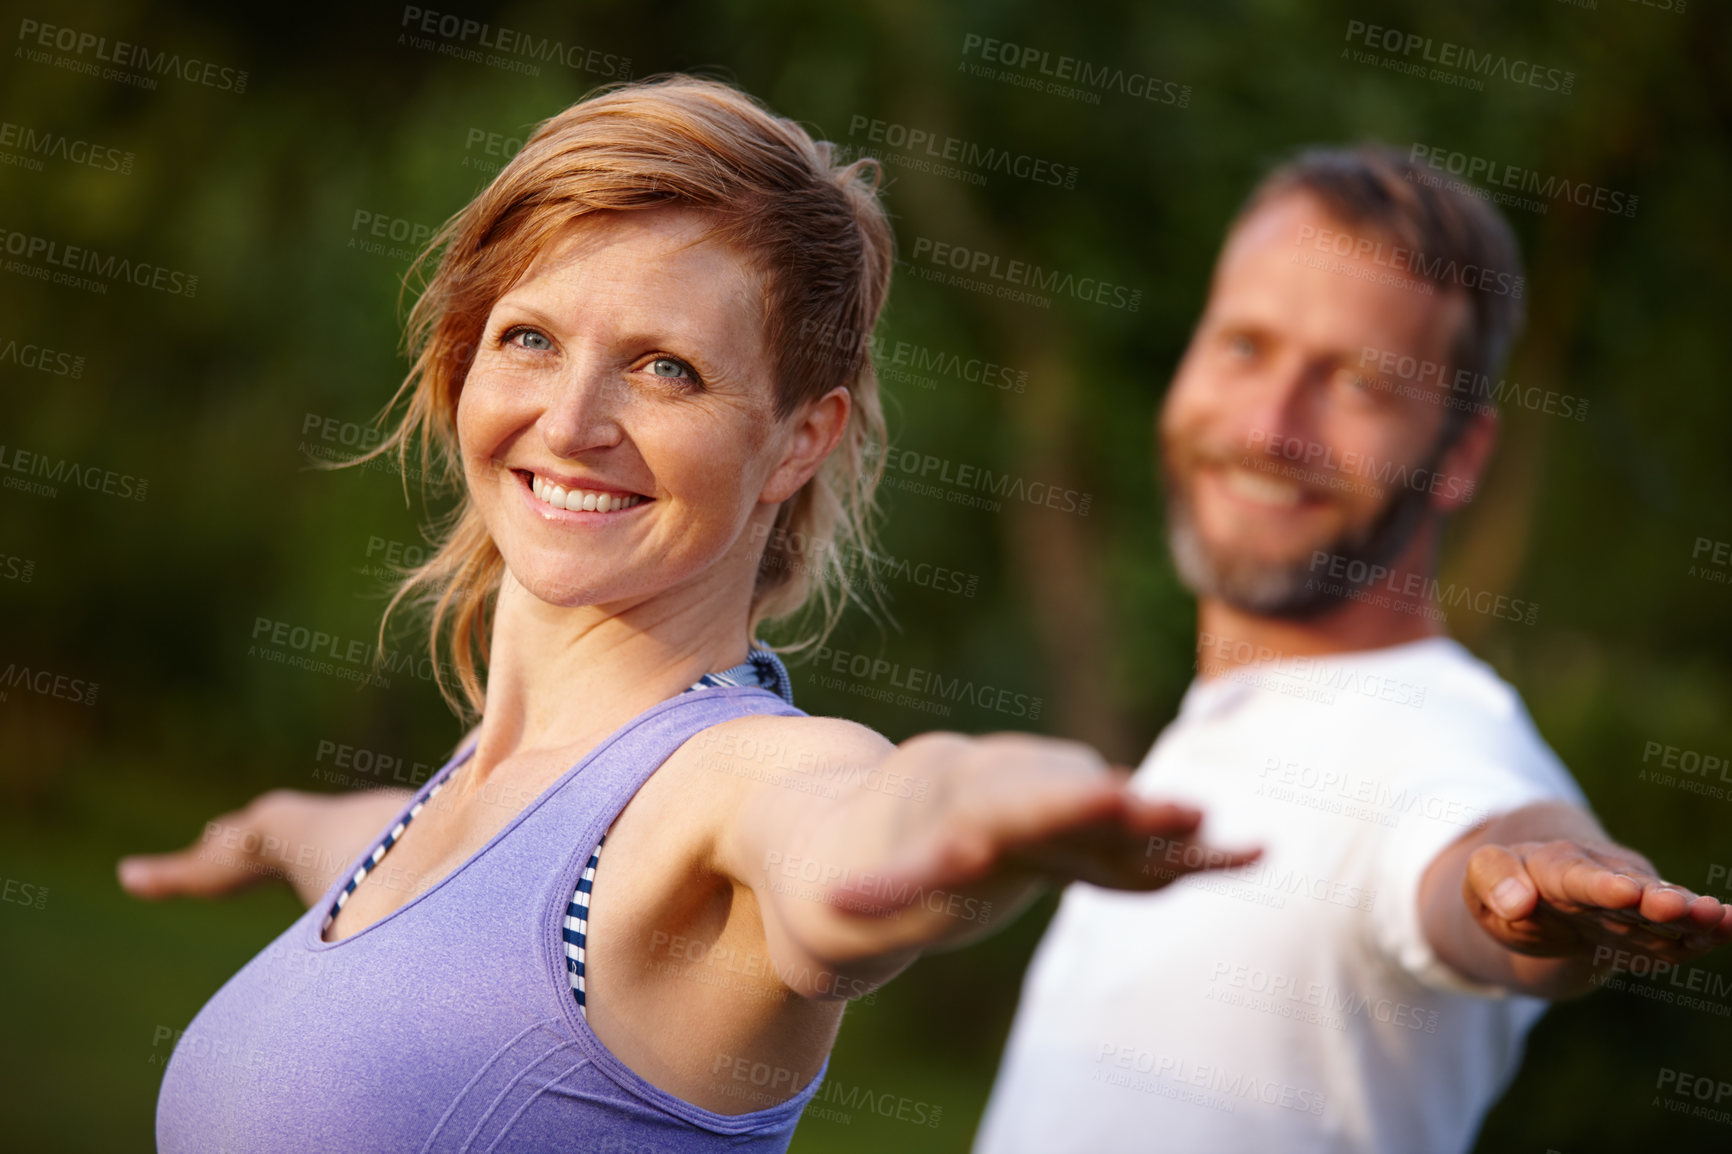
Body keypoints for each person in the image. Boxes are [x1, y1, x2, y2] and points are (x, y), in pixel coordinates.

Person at [117, 75, 1250, 1154]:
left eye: (665, 369)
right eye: (530, 338)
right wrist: (265, 829)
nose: (570, 422)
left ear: (801, 438)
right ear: (468, 362)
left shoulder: (727, 787)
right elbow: (361, 845)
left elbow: (852, 836)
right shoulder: (447, 804)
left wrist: (981, 811)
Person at [971, 146, 1732, 1154]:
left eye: (1359, 383)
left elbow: (1477, 849)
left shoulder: (1439, 739)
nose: (1267, 427)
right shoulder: (1229, 720)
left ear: (1460, 455)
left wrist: (1533, 891)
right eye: (1244, 345)